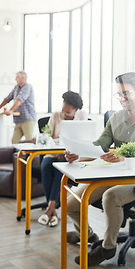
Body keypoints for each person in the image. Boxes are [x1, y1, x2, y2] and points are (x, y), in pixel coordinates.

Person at [64, 72, 135, 266]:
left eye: (126, 93)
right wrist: (78, 154)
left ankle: (108, 249)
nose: (122, 98)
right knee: (71, 204)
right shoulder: (116, 118)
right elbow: (100, 146)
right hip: (113, 174)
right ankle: (91, 237)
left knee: (111, 197)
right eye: (119, 94)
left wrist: (125, 154)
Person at [37, 91, 88, 227]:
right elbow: (47, 136)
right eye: (63, 109)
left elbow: (81, 138)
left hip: (71, 156)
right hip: (53, 153)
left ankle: (49, 209)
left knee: (60, 168)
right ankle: (52, 209)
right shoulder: (55, 115)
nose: (64, 114)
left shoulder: (82, 116)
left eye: (68, 112)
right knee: (46, 165)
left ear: (75, 109)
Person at [0, 71, 36, 143]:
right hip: (18, 120)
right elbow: (7, 99)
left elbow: (19, 100)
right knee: (14, 141)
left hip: (27, 119)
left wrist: (11, 110)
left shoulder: (27, 87)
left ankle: (31, 154)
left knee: (29, 141)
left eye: (17, 77)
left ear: (23, 78)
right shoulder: (16, 87)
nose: (15, 79)